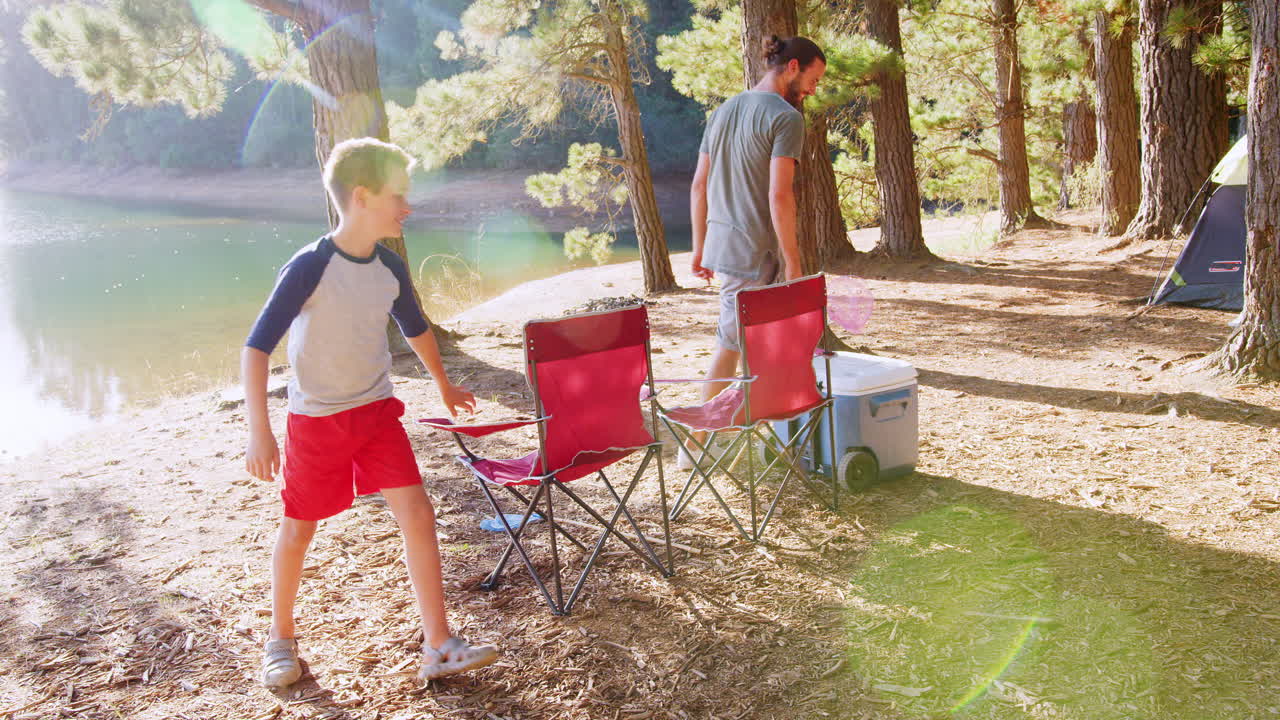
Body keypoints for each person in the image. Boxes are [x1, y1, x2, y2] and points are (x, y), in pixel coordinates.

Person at [241, 137, 498, 688]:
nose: (407, 206)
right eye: (397, 195)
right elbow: (256, 348)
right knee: (299, 529)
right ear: (361, 197)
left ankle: (439, 644)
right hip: (318, 421)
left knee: (418, 513)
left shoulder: (389, 266)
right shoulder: (309, 267)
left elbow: (416, 327)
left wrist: (444, 384)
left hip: (377, 412)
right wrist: (260, 432)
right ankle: (280, 638)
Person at [684, 35, 827, 468]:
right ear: (792, 67)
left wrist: (699, 247)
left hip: (723, 244)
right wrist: (793, 262)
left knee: (755, 343)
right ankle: (695, 445)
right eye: (813, 79)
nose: (813, 89)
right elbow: (779, 196)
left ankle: (764, 429)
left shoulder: (723, 110)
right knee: (730, 343)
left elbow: (699, 185)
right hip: (754, 252)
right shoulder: (785, 118)